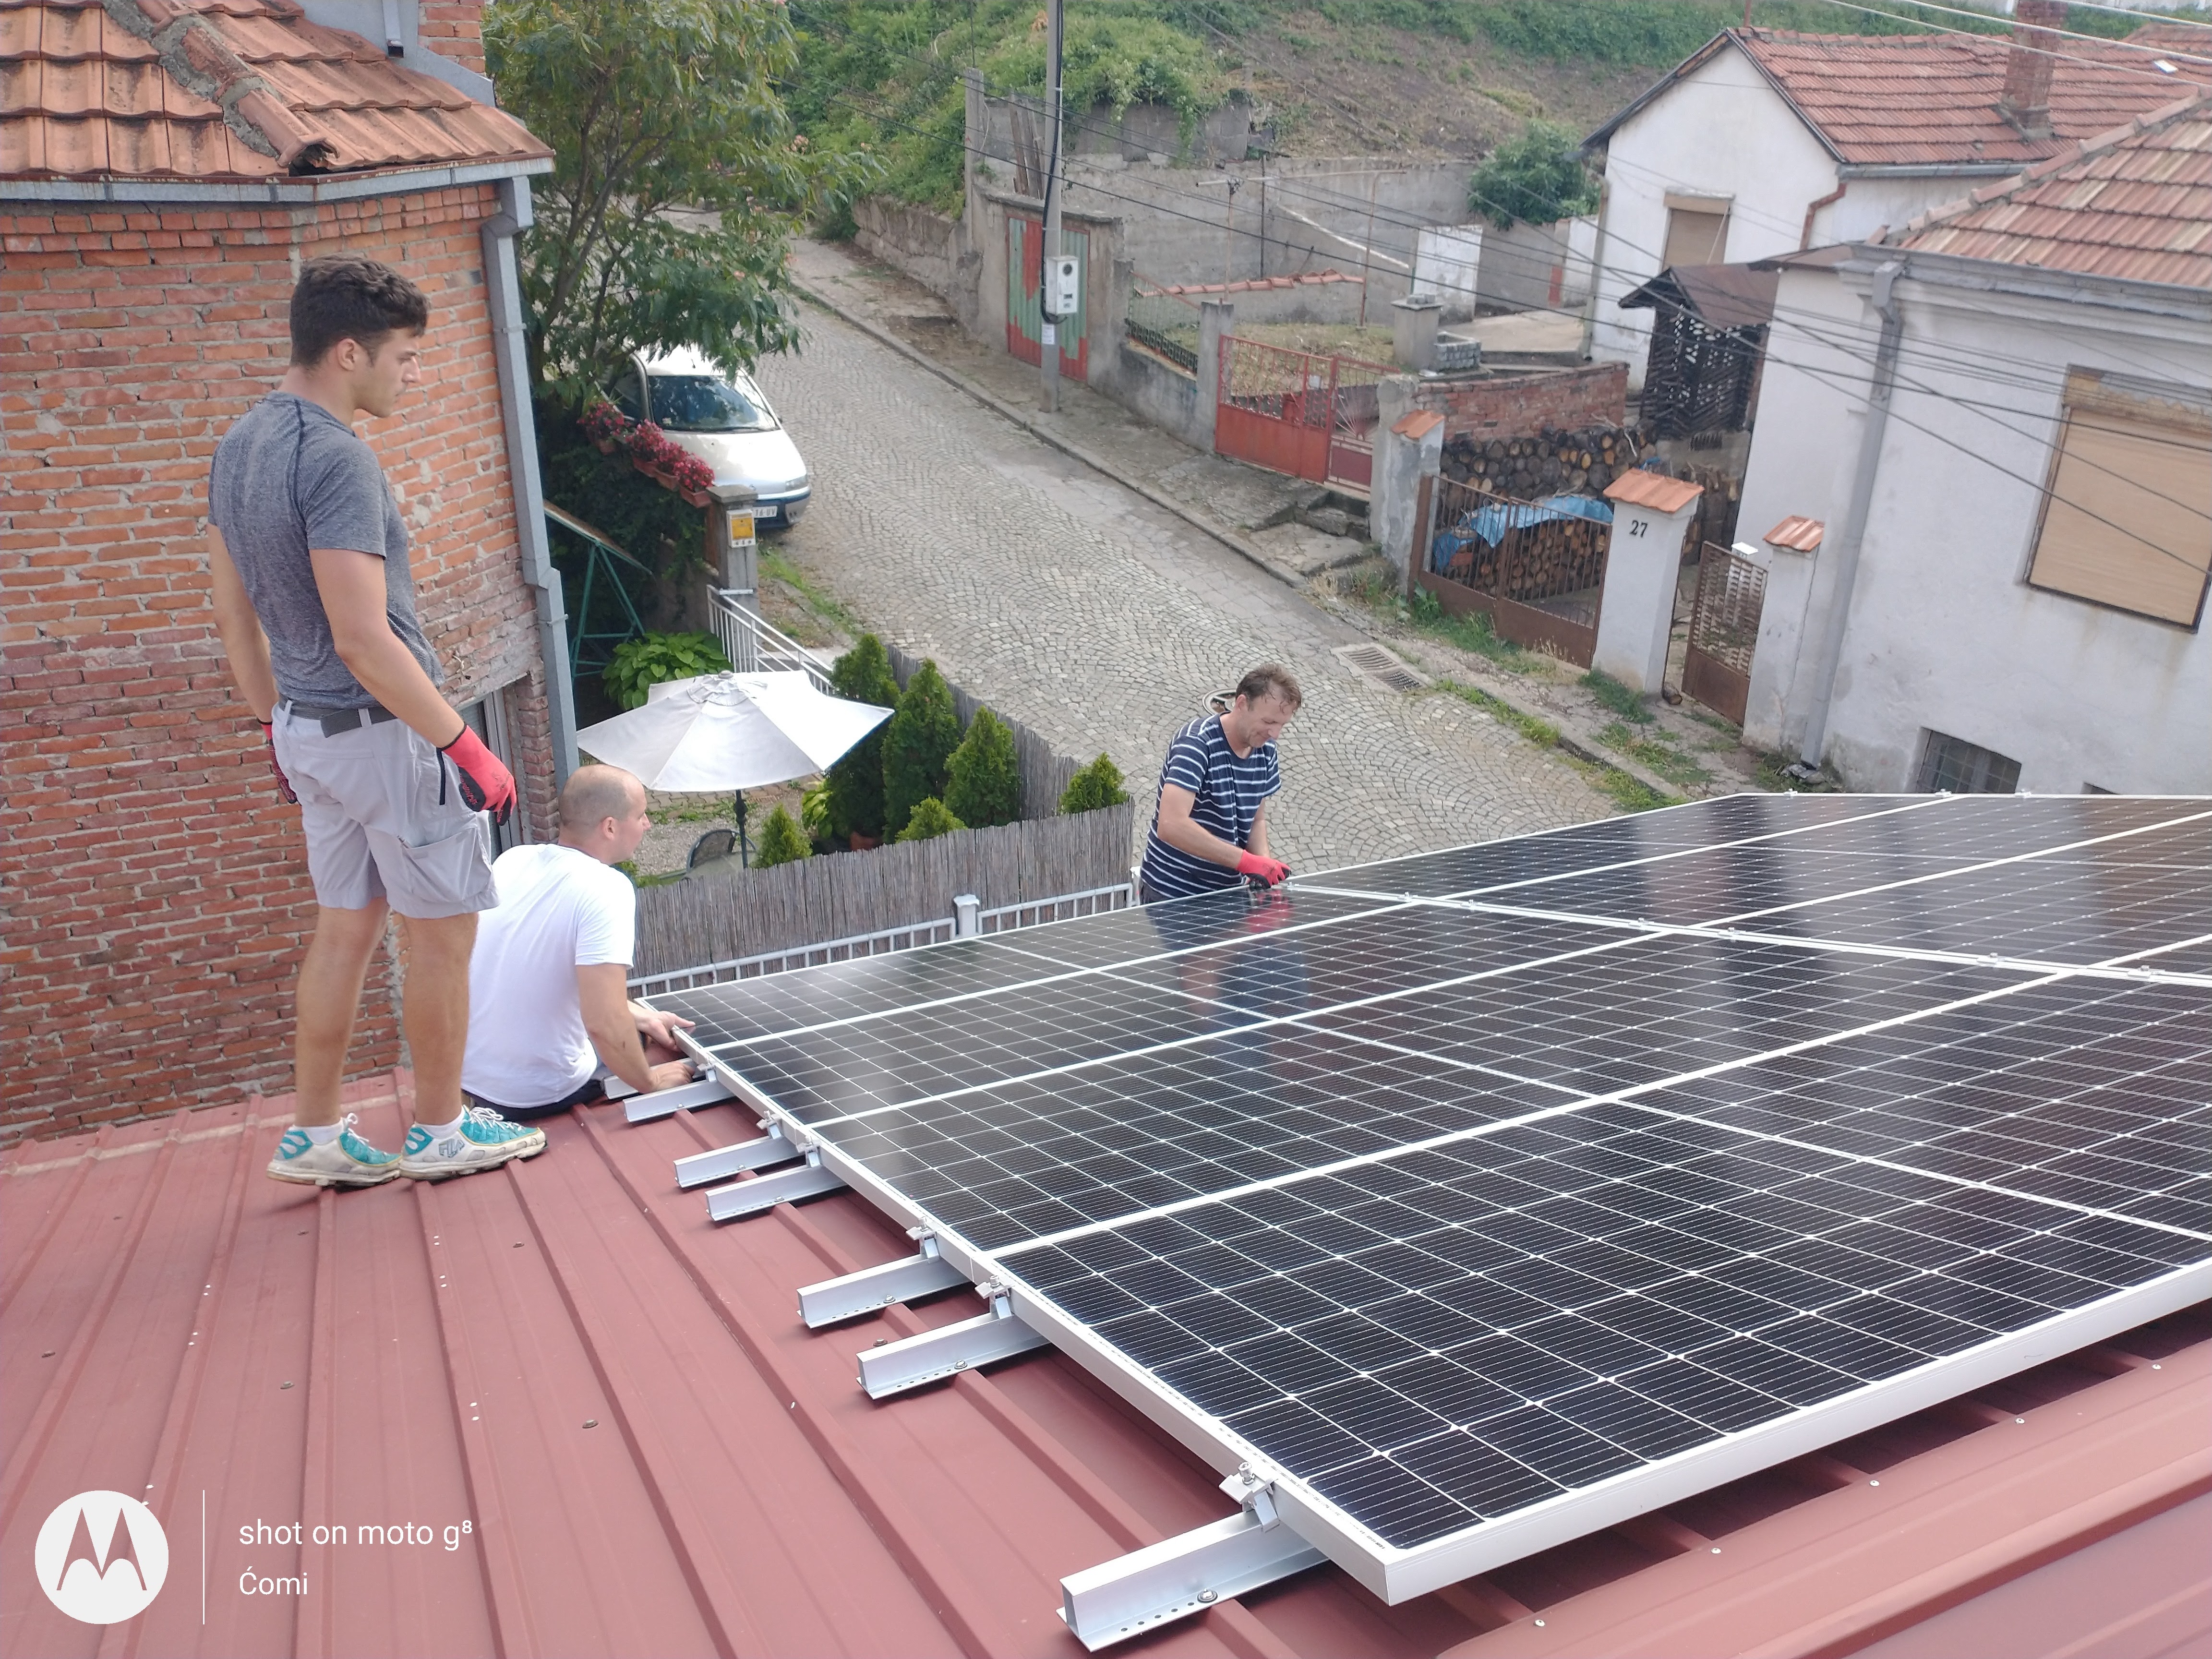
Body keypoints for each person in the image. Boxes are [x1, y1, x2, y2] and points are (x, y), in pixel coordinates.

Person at [207, 254, 541, 1187]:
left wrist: (273, 728)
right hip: (384, 736)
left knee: (345, 926)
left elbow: (234, 619)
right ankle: (439, 1133)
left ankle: (314, 1134)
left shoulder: (239, 446)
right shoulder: (337, 459)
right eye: (405, 355)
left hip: (306, 733)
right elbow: (362, 639)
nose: (414, 374)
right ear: (349, 352)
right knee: (442, 929)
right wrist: (465, 744)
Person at [460, 766, 698, 1118]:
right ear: (610, 827)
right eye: (640, 816)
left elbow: (530, 978)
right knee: (633, 1043)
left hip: (470, 1078)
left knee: (635, 1026)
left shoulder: (513, 860)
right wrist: (651, 1082)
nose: (647, 824)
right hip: (536, 1092)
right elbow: (603, 1021)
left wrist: (640, 1016)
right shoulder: (607, 888)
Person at [1139, 664, 1302, 902]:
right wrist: (1246, 862)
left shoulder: (1266, 750)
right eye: (1268, 721)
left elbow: (1256, 820)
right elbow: (1171, 824)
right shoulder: (1196, 743)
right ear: (1242, 704)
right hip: (1172, 894)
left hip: (1226, 894)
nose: (1274, 734)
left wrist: (1264, 868)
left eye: (1281, 725)